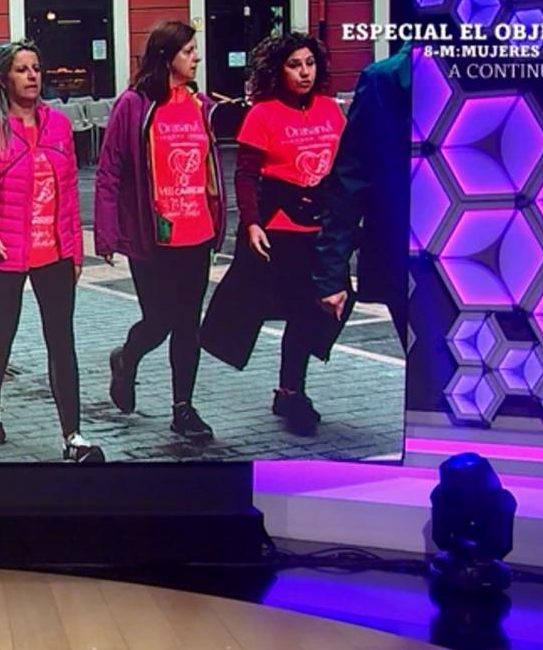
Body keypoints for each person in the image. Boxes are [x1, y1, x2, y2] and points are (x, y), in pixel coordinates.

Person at [0, 40, 103, 462]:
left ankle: (73, 436)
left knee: (61, 340)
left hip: (53, 251)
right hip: (4, 250)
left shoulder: (59, 126)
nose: (32, 75)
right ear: (4, 78)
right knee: (4, 328)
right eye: (21, 69)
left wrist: (75, 252)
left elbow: (69, 194)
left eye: (35, 67)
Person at [200, 33, 347, 435]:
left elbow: (344, 169)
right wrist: (251, 222)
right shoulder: (262, 114)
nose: (304, 73)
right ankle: (291, 393)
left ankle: (290, 389)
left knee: (331, 304)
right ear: (278, 70)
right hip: (281, 229)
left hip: (324, 228)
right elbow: (246, 175)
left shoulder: (331, 110)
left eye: (309, 64)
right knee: (299, 309)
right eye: (294, 65)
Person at [94, 22, 227, 443]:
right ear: (166, 56)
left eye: (195, 50)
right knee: (159, 320)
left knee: (188, 323)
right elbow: (109, 170)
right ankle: (126, 358)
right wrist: (107, 232)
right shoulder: (134, 104)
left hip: (196, 232)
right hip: (151, 236)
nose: (196, 57)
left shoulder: (200, 104)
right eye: (188, 51)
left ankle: (183, 408)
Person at [313, 43, 411, 350]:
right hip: (414, 257)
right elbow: (350, 180)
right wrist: (332, 272)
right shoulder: (387, 80)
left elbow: (349, 181)